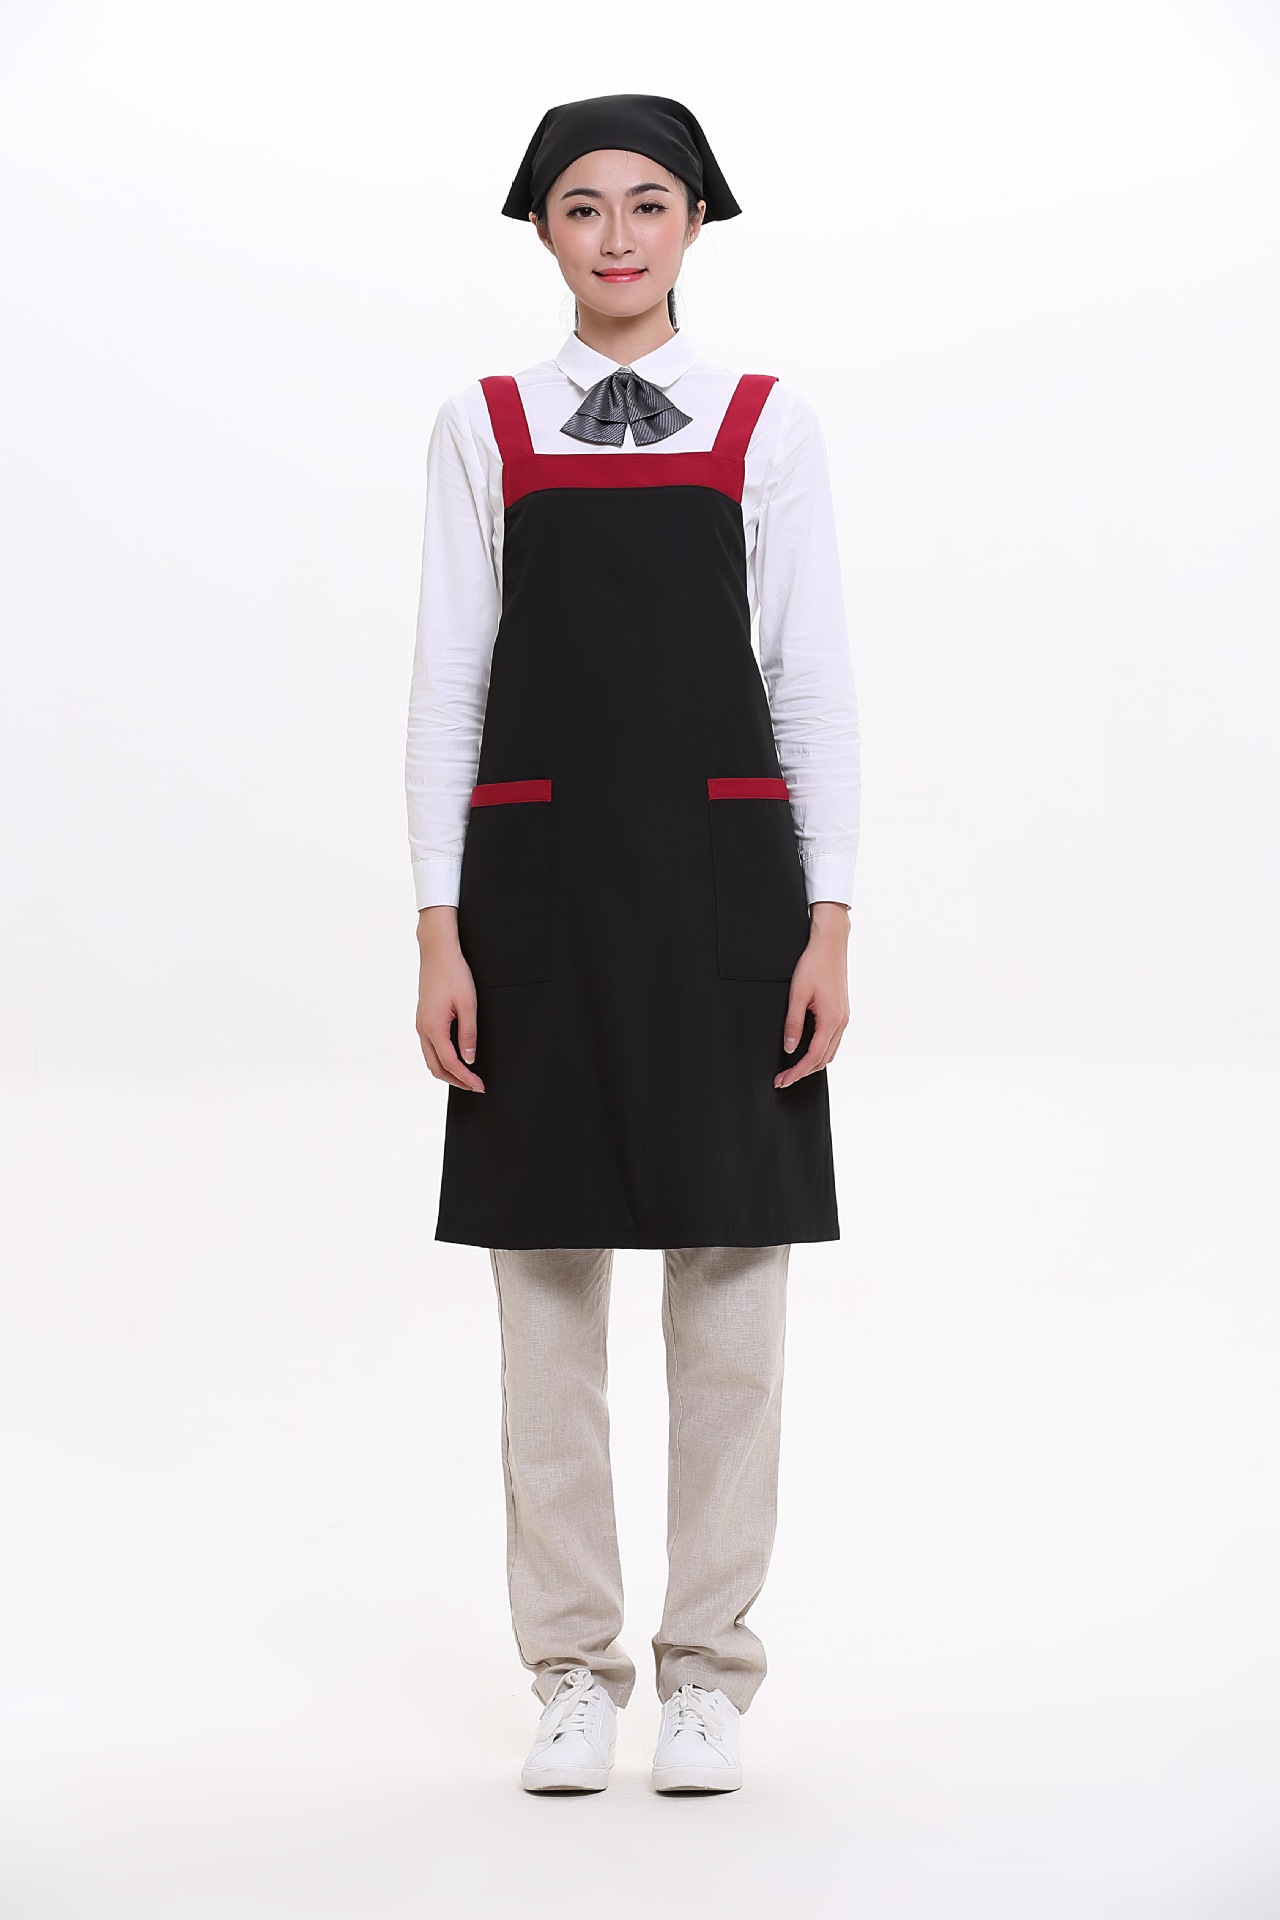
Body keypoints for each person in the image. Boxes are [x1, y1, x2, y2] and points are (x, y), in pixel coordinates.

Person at [405, 94, 861, 1794]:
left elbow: (811, 679)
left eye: (648, 202)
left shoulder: (765, 421)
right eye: (583, 205)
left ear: (695, 223)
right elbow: (447, 682)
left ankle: (706, 1677)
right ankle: (571, 1669)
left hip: (728, 891)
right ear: (543, 229)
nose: (616, 234)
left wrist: (829, 917)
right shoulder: (482, 423)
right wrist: (438, 926)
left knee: (732, 1290)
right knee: (545, 1299)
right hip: (534, 896)